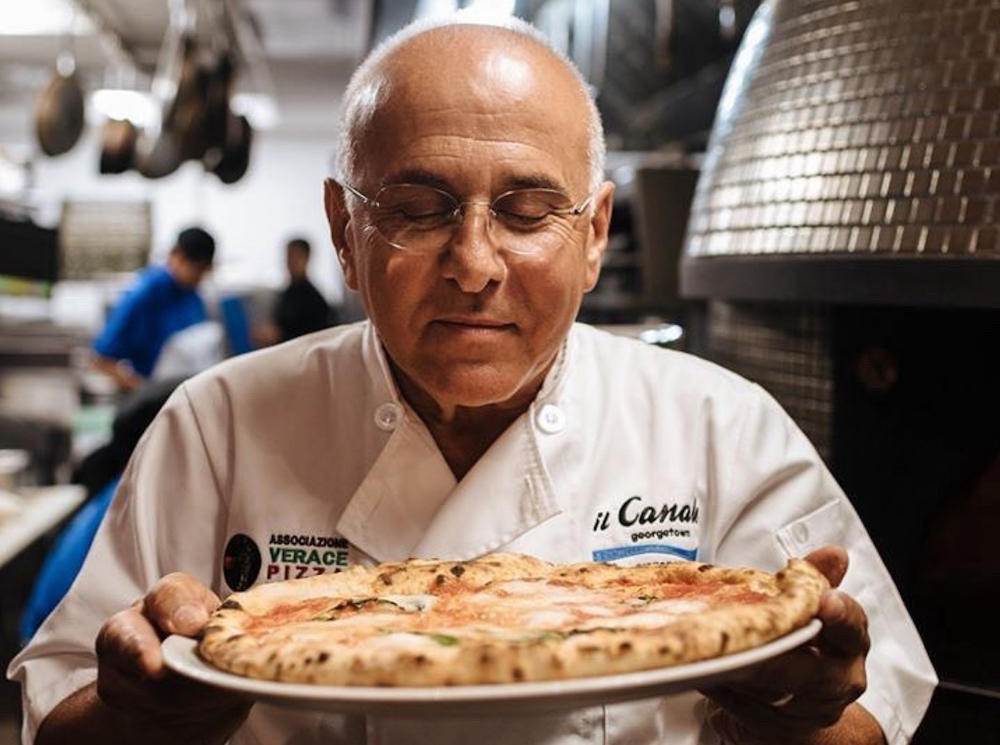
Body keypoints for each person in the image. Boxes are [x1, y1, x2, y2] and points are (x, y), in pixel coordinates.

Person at [8, 17, 936, 745]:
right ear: (343, 231)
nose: (475, 263)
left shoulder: (722, 426)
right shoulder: (217, 422)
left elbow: (876, 715)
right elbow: (56, 711)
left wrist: (791, 717)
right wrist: (141, 716)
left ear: (595, 233)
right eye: (418, 209)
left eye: (528, 212)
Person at [90, 227, 215, 391]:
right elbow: (101, 360)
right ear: (177, 256)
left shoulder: (192, 297)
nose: (200, 278)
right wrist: (146, 392)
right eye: (197, 269)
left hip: (187, 390)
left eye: (205, 271)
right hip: (156, 394)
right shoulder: (145, 296)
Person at [252, 237, 332, 346]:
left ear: (307, 258)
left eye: (295, 256)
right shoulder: (286, 293)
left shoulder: (314, 300)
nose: (290, 262)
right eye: (288, 256)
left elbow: (316, 339)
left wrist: (279, 336)